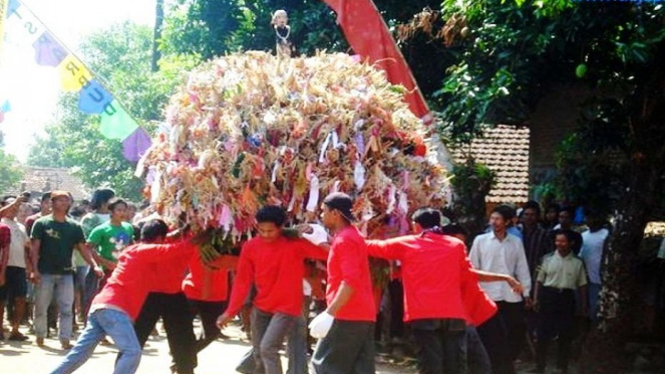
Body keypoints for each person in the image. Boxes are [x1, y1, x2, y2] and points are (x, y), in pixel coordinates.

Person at [365, 208, 522, 374]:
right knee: (454, 367)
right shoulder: (456, 245)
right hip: (454, 316)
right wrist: (505, 277)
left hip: (424, 314)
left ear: (416, 225)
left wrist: (350, 230)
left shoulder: (407, 243)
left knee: (431, 366)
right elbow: (470, 274)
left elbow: (370, 246)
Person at [48, 219, 198, 374]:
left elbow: (169, 244)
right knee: (132, 352)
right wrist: (200, 235)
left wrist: (180, 232)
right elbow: (179, 249)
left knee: (78, 355)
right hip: (114, 310)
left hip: (100, 306)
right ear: (159, 239)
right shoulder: (148, 251)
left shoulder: (131, 250)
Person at [217, 205, 329, 374]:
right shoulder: (250, 247)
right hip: (262, 306)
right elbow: (242, 281)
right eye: (262, 230)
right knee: (259, 354)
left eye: (270, 231)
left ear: (280, 228)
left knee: (268, 348)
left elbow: (327, 253)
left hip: (288, 307)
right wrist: (230, 311)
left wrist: (313, 232)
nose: (266, 235)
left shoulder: (295, 244)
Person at [309, 193, 376, 374]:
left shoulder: (345, 239)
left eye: (324, 211)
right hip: (362, 314)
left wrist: (330, 313)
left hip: (347, 314)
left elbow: (350, 281)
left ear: (335, 213)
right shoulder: (352, 237)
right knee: (358, 368)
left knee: (324, 367)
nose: (322, 215)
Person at [30, 190, 104, 349]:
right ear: (52, 202)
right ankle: (40, 335)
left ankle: (65, 338)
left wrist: (94, 265)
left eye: (66, 200)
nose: (64, 203)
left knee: (66, 307)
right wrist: (34, 269)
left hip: (66, 272)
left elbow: (83, 249)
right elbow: (34, 249)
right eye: (60, 200)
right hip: (45, 271)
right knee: (41, 306)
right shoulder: (41, 223)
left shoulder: (74, 226)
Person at [470, 205, 532, 374]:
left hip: (511, 294)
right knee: (489, 333)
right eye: (492, 218)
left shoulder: (516, 242)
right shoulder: (480, 241)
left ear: (507, 222)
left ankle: (506, 362)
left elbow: (522, 268)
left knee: (516, 328)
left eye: (498, 219)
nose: (494, 222)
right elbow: (473, 267)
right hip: (488, 294)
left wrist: (526, 292)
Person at [532, 230, 588, 374]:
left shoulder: (578, 262)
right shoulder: (547, 259)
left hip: (566, 298)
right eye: (557, 241)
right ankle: (540, 366)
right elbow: (539, 280)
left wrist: (583, 304)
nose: (559, 244)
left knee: (565, 334)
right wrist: (536, 298)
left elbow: (582, 285)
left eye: (563, 241)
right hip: (548, 296)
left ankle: (562, 366)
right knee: (542, 333)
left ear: (571, 243)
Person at [80, 188, 116, 321]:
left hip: (114, 265)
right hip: (94, 265)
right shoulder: (90, 219)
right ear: (103, 201)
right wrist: (101, 262)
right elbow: (86, 245)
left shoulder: (116, 218)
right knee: (93, 295)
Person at [0, 196, 32, 341]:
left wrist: (30, 267)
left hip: (19, 266)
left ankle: (15, 330)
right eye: (10, 205)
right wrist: (15, 201)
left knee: (20, 298)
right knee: (1, 299)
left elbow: (26, 248)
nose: (14, 208)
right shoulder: (1, 222)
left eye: (16, 206)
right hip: (3, 266)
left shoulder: (21, 226)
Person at [579, 211, 609, 322]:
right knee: (582, 309)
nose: (589, 220)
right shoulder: (583, 235)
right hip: (583, 279)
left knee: (594, 309)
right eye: (588, 217)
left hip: (597, 279)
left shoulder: (606, 235)